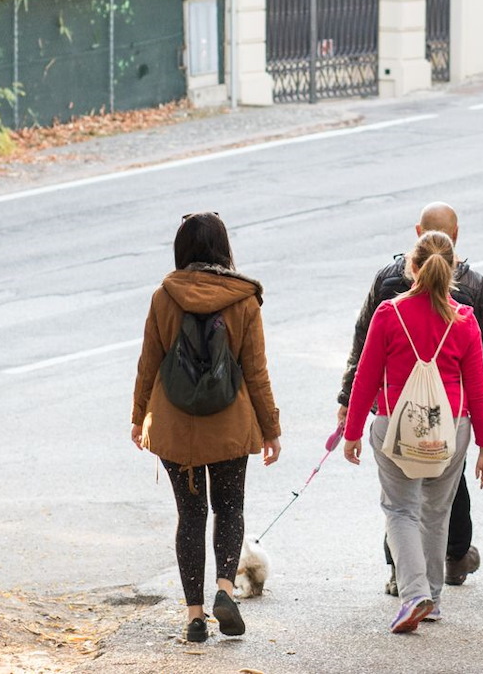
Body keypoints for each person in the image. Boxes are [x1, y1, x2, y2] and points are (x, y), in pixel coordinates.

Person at [130, 212, 283, 644]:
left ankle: (195, 618)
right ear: (224, 249)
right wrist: (271, 429)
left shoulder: (164, 297)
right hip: (230, 425)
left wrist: (138, 416)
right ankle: (224, 591)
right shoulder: (244, 300)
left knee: (190, 515)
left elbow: (148, 364)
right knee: (229, 509)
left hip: (175, 428)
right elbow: (256, 372)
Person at [338, 202, 483, 594]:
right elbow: (478, 385)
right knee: (436, 513)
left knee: (400, 509)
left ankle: (414, 594)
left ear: (411, 267)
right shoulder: (464, 319)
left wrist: (353, 429)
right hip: (452, 428)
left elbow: (366, 375)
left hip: (394, 423)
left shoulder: (389, 314)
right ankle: (433, 594)